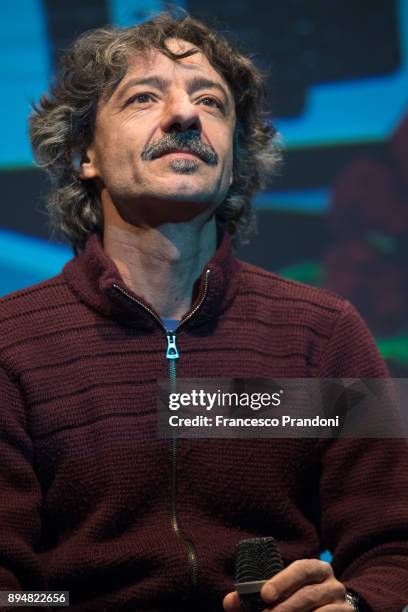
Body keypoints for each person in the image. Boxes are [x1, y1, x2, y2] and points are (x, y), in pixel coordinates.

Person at [0, 12, 407, 612]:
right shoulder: (11, 343)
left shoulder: (323, 332)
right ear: (85, 153)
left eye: (210, 101)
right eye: (143, 96)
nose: (186, 115)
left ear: (236, 158)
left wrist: (355, 602)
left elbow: (393, 546)